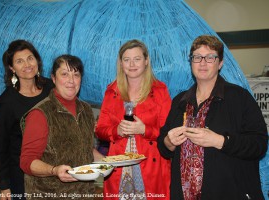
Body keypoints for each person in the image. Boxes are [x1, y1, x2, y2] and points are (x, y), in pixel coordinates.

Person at [157, 35, 268, 200]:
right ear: (191, 62)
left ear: (220, 63)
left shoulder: (240, 98)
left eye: (210, 57)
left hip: (229, 193)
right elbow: (163, 147)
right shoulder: (180, 101)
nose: (202, 62)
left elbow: (259, 145)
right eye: (197, 57)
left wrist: (219, 141)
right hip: (183, 194)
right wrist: (168, 141)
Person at [20, 54, 104, 199]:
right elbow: (27, 162)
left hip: (84, 194)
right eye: (64, 74)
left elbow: (84, 148)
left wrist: (107, 162)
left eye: (76, 74)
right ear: (53, 78)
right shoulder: (40, 113)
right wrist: (54, 170)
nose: (71, 80)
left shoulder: (86, 110)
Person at [95, 39, 172, 199]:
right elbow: (100, 130)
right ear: (121, 63)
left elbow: (169, 133)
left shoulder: (160, 90)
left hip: (152, 166)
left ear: (146, 61)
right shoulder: (112, 91)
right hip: (118, 166)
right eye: (126, 59)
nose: (132, 64)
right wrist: (116, 131)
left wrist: (144, 130)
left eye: (137, 59)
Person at [0, 39, 54, 200]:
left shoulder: (52, 88)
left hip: (55, 169)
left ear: (37, 61)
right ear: (12, 68)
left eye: (30, 58)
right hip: (23, 176)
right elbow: (1, 145)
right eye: (19, 61)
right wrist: (4, 186)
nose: (27, 64)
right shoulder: (6, 102)